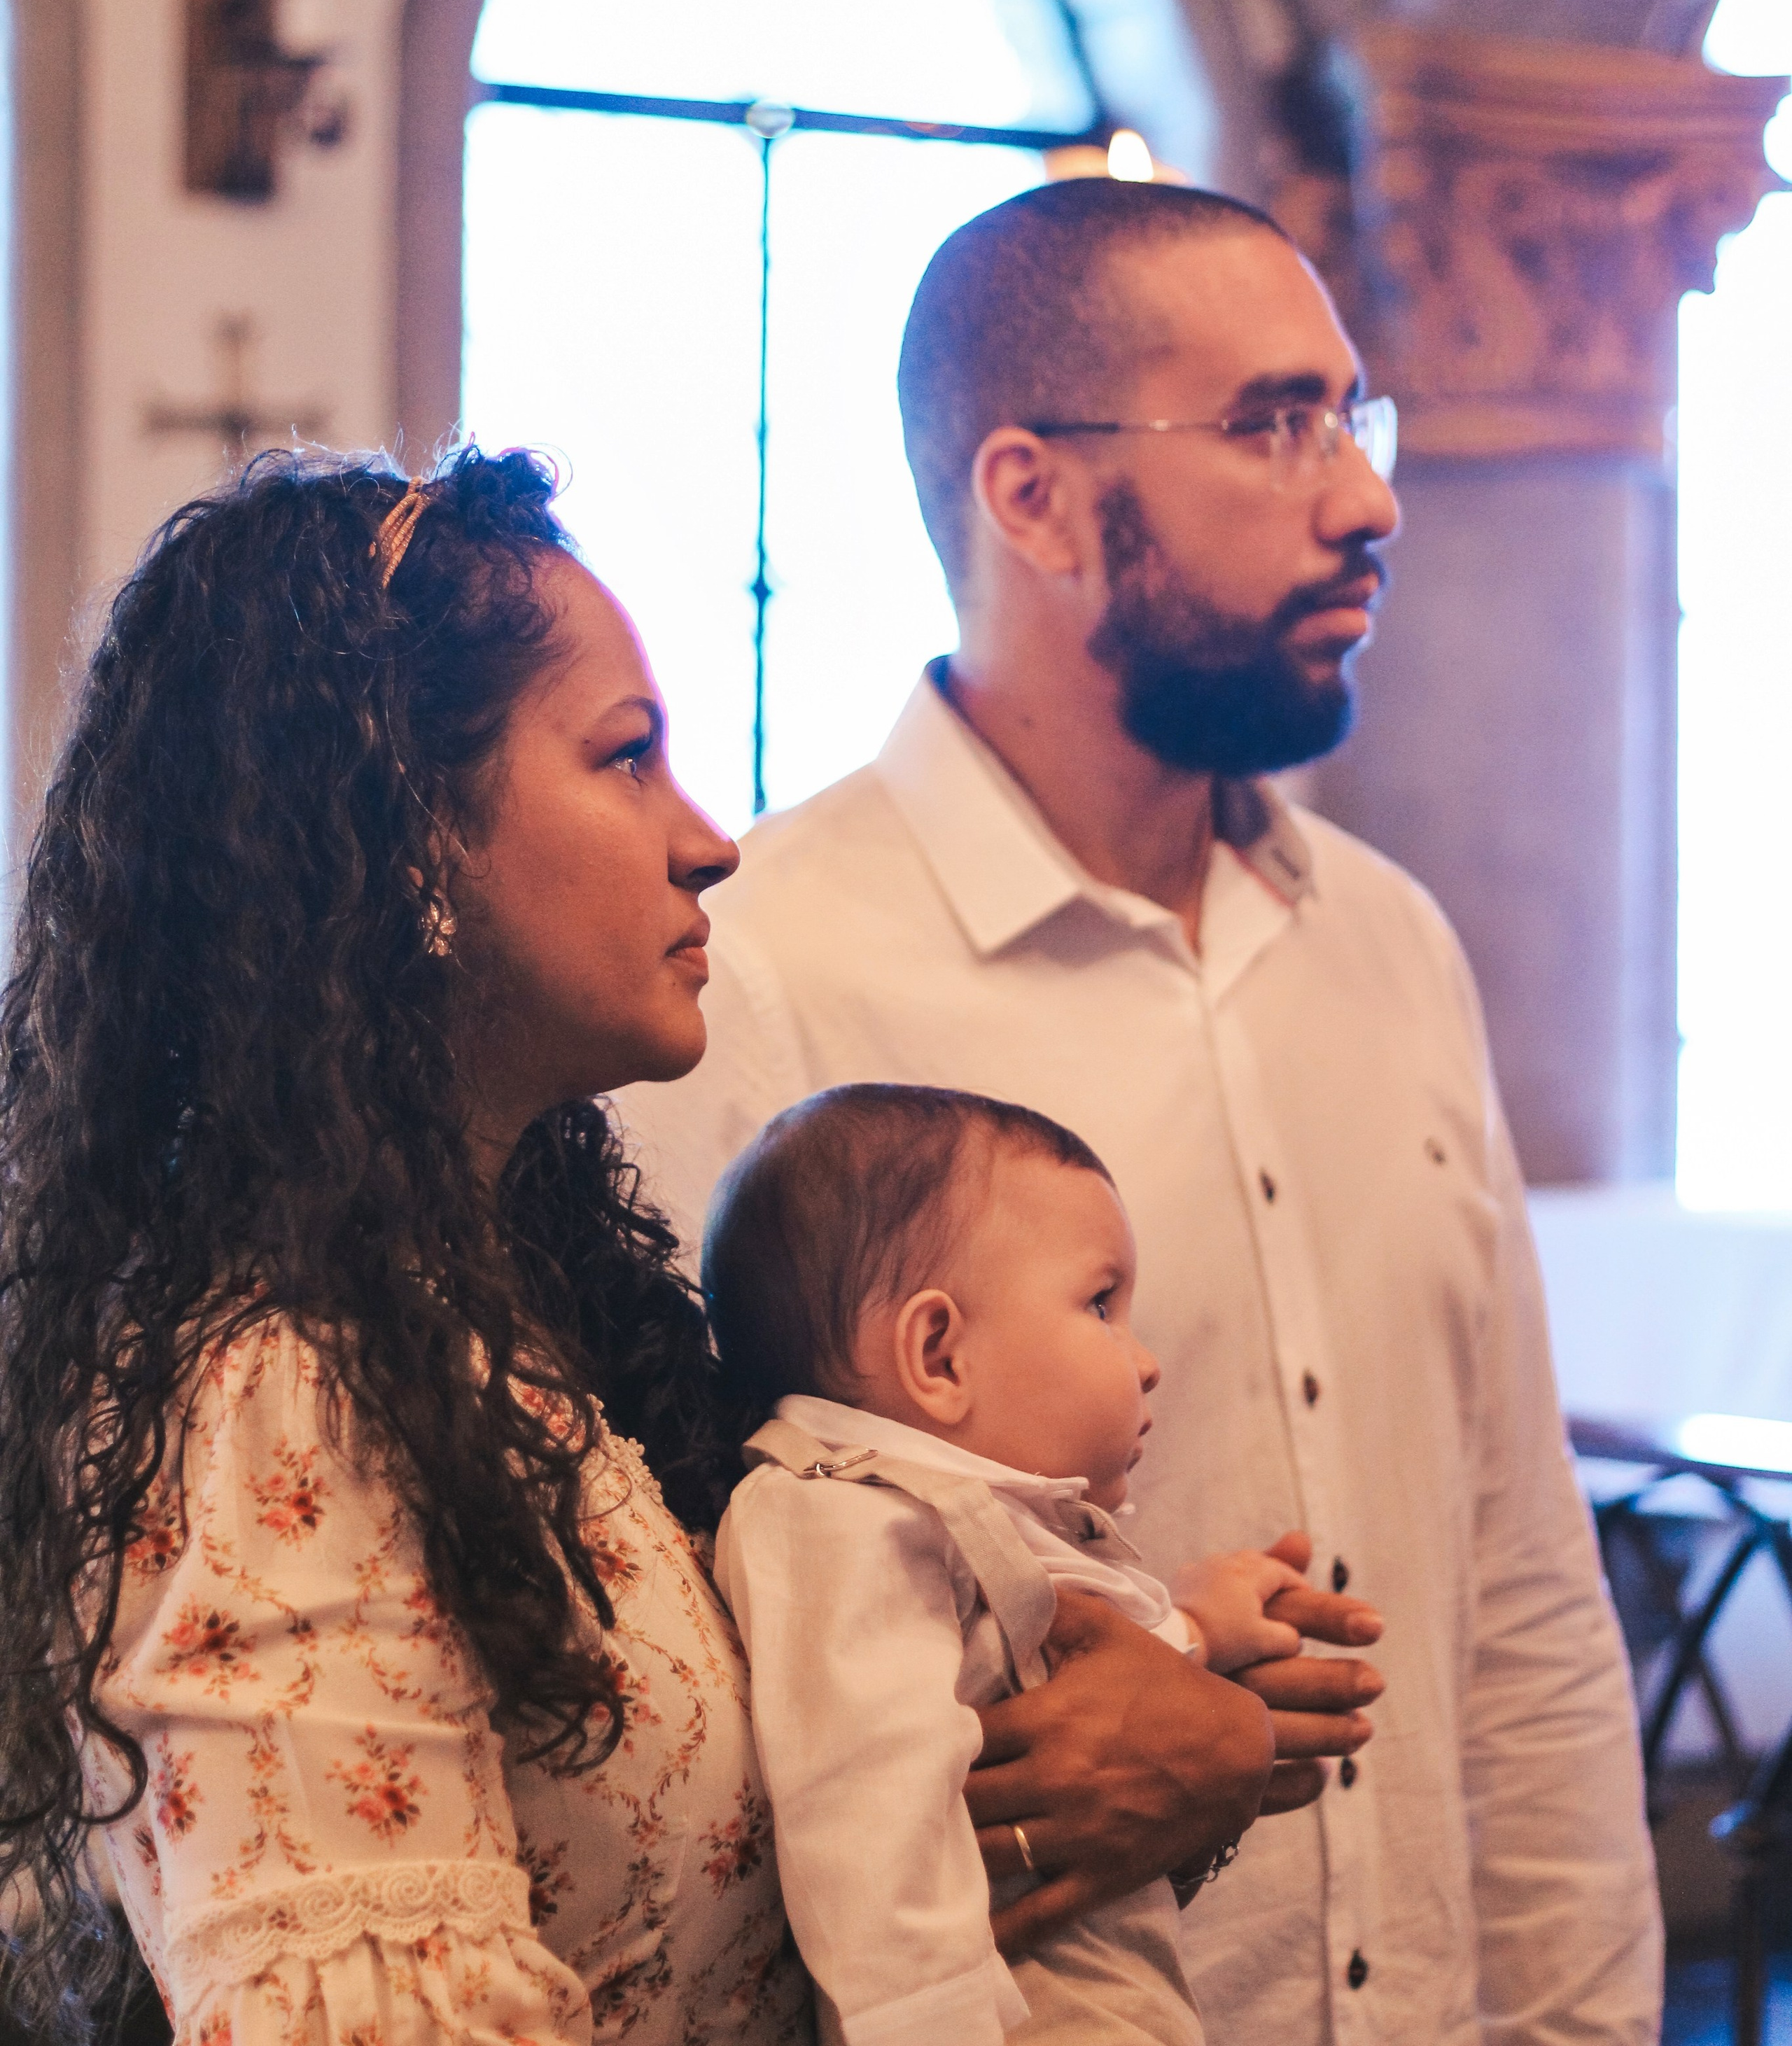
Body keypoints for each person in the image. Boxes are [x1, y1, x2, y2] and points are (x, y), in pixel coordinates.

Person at [0, 445, 1273, 2046]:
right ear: (407, 829)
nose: (707, 839)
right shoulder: (287, 1393)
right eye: (623, 758)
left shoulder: (525, 1321)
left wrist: (1165, 1731)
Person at [617, 178, 1665, 2046]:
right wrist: (1059, 1744)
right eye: (1273, 424)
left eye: (1350, 416)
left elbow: (1514, 1586)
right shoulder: (761, 977)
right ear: (1031, 496)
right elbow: (670, 1695)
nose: (1366, 499)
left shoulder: (1390, 943)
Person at [704, 1079, 1338, 2046]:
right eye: (1102, 1303)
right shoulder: (836, 1516)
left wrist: (1202, 1629)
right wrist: (928, 2027)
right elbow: (868, 1813)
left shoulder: (959, 1514)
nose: (1146, 1360)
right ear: (939, 1356)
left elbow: (1054, 1689)